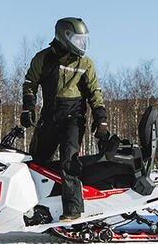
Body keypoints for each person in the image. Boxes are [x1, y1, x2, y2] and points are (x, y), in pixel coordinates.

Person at [20, 17, 108, 222]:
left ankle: (73, 209)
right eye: (78, 40)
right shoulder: (43, 58)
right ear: (64, 37)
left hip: (73, 119)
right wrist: (28, 107)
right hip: (49, 116)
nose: (82, 44)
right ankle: (32, 208)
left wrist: (100, 118)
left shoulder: (85, 63)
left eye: (84, 40)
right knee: (36, 162)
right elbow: (30, 83)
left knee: (69, 161)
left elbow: (94, 92)